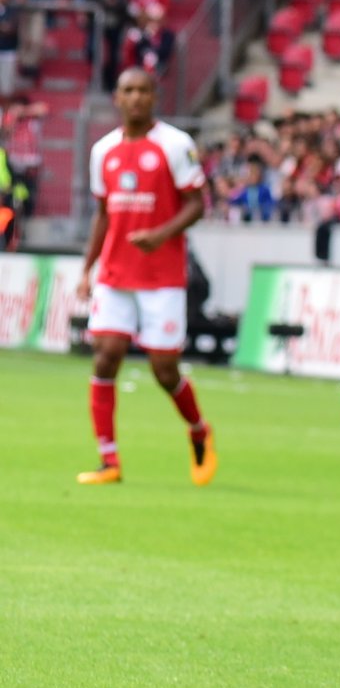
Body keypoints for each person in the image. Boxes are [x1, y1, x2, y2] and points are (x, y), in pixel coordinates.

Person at [75, 69, 216, 488]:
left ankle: (198, 430)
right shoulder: (103, 151)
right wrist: (88, 268)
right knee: (105, 357)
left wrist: (159, 235)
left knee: (164, 370)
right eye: (127, 91)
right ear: (116, 98)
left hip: (162, 274)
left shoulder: (175, 145)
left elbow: (197, 204)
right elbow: (104, 214)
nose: (135, 98)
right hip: (116, 272)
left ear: (154, 96)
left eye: (143, 91)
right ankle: (109, 461)